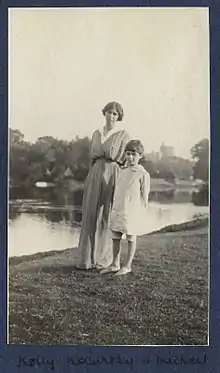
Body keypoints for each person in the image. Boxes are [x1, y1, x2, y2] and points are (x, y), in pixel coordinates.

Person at [76, 102, 130, 270]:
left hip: (113, 173)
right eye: (109, 112)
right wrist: (90, 176)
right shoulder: (97, 133)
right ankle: (86, 260)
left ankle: (103, 259)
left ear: (118, 117)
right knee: (91, 213)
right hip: (96, 172)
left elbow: (126, 160)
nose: (111, 116)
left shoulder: (123, 134)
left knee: (107, 214)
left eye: (115, 114)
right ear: (104, 113)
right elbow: (92, 157)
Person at [101, 139, 150, 275]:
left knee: (130, 236)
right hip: (119, 207)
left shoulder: (142, 173)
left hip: (132, 210)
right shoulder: (121, 170)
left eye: (134, 154)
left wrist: (141, 211)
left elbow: (144, 196)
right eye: (128, 154)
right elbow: (117, 189)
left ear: (140, 156)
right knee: (116, 235)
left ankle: (127, 265)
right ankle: (115, 264)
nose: (130, 157)